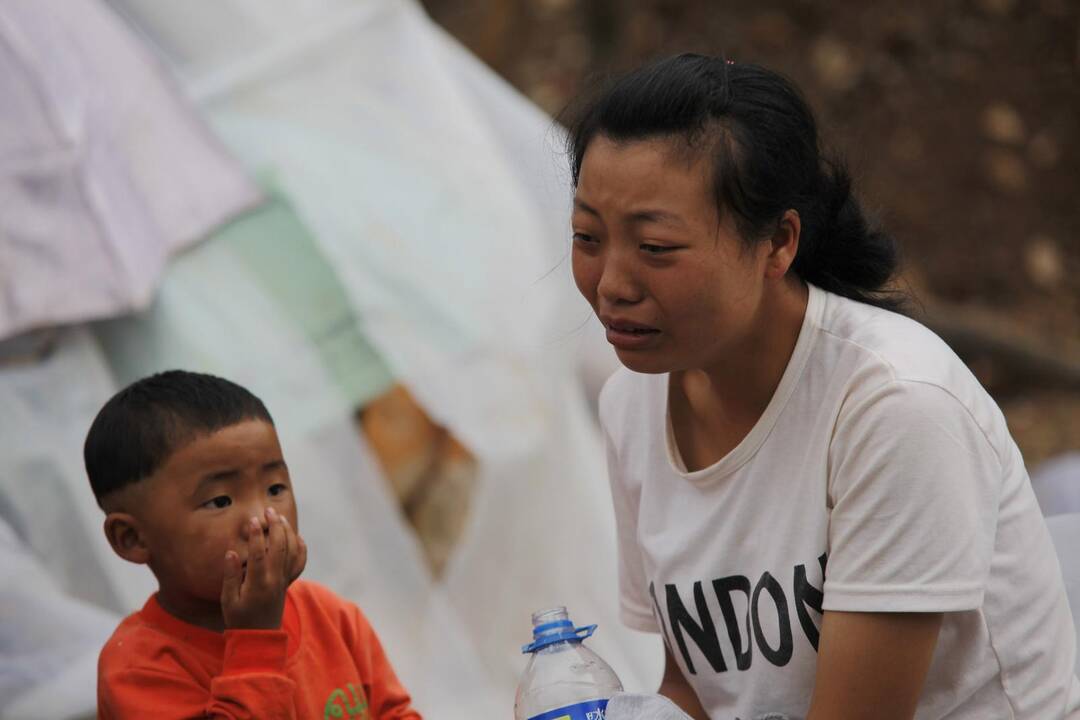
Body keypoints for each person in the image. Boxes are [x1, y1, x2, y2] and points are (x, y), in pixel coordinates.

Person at [565, 54, 1080, 719]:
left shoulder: (896, 407)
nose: (610, 284)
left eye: (657, 248)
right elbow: (692, 690)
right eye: (587, 237)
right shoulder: (633, 403)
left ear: (779, 242)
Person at [84, 370, 422, 719]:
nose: (261, 519)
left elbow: (394, 712)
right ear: (132, 538)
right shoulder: (139, 670)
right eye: (220, 501)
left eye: (275, 488)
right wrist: (256, 639)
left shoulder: (331, 616)